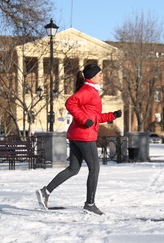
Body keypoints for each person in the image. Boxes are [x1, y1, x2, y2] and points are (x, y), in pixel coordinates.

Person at [36, 64, 122, 215]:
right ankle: (90, 204)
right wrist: (83, 120)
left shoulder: (91, 92)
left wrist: (112, 115)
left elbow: (94, 117)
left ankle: (45, 192)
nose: (102, 76)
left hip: (78, 134)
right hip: (84, 136)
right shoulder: (87, 91)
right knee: (94, 168)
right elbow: (70, 103)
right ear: (92, 76)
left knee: (73, 169)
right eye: (100, 74)